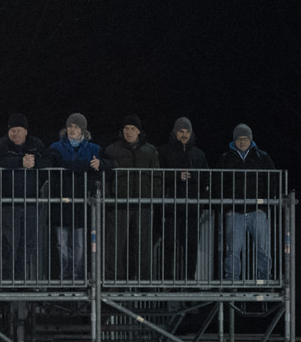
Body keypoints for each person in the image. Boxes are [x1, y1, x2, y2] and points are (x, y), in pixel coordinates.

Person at [46, 113, 107, 281]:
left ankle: (78, 279)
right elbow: (50, 163)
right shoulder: (56, 147)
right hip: (61, 204)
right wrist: (84, 166)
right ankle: (64, 279)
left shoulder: (94, 149)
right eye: (69, 126)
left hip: (81, 205)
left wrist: (100, 165)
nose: (72, 129)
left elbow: (109, 165)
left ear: (83, 130)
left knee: (79, 246)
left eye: (76, 126)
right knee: (62, 246)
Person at [103, 114, 161, 281]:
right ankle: (114, 280)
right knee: (115, 244)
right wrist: (109, 197)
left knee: (143, 244)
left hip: (143, 204)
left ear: (139, 131)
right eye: (126, 129)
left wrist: (154, 198)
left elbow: (156, 176)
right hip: (119, 203)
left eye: (132, 129)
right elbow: (106, 177)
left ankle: (143, 279)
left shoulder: (150, 150)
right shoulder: (112, 150)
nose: (129, 132)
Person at [214, 124, 276, 280]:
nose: (242, 142)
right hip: (235, 212)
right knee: (233, 249)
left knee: (263, 248)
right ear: (234, 140)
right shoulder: (225, 158)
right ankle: (232, 279)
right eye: (239, 139)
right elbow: (218, 183)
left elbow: (272, 181)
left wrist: (265, 205)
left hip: (258, 210)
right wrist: (227, 206)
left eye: (245, 139)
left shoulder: (262, 157)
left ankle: (264, 278)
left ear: (251, 139)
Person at [0, 114, 44, 282]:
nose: (15, 134)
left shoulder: (36, 144)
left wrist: (35, 163)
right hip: (8, 203)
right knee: (8, 245)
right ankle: (7, 282)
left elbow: (47, 162)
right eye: (12, 131)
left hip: (31, 203)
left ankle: (23, 281)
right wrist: (21, 162)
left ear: (26, 131)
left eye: (19, 131)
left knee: (27, 245)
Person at [156, 117, 208, 280]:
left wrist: (203, 200)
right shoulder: (164, 151)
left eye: (187, 132)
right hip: (170, 207)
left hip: (192, 208)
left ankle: (189, 279)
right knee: (169, 244)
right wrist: (176, 176)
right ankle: (167, 279)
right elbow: (157, 176)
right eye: (181, 131)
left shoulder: (199, 154)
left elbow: (207, 179)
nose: (184, 135)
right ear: (175, 133)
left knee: (191, 245)